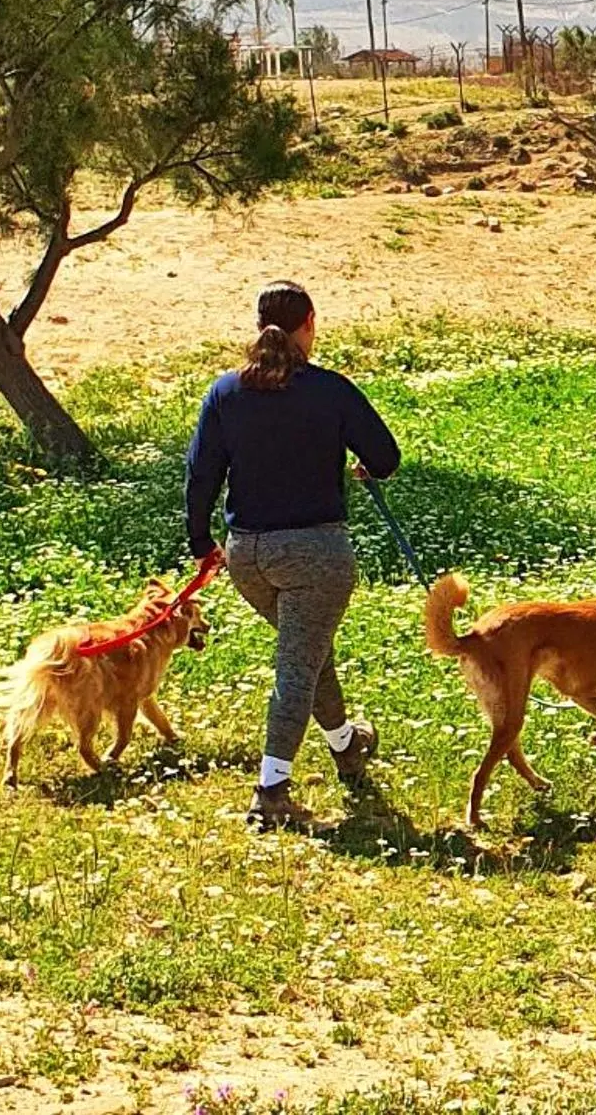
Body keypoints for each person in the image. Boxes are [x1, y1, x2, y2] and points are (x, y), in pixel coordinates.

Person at [184, 280, 402, 829]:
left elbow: (200, 474)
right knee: (297, 666)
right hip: (315, 554)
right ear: (310, 323)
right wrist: (366, 471)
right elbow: (385, 455)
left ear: (260, 325)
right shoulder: (330, 390)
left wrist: (200, 542)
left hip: (247, 557)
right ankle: (271, 790)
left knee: (307, 650)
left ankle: (347, 745)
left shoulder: (225, 392)